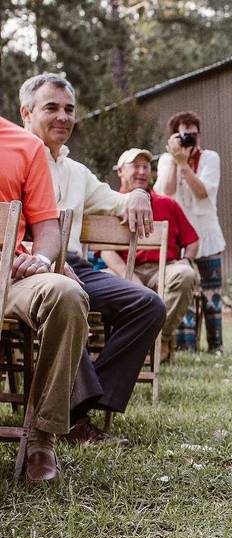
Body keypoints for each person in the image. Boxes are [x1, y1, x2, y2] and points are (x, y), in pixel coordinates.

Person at [19, 73, 165, 445]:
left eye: (69, 109)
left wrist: (138, 193)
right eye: (51, 107)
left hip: (76, 263)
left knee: (147, 304)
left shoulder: (76, 171)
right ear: (26, 113)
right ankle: (77, 417)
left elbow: (115, 201)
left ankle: (83, 400)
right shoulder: (14, 158)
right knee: (68, 295)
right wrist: (45, 259)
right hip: (25, 266)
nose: (63, 117)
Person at [0, 115, 90, 483]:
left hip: (11, 273)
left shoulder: (25, 144)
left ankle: (42, 435)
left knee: (67, 293)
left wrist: (40, 257)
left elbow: (47, 228)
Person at [102, 148, 200, 363]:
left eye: (146, 167)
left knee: (185, 274)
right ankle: (107, 348)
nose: (142, 172)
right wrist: (131, 278)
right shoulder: (109, 203)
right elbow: (106, 251)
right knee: (96, 283)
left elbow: (192, 240)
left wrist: (187, 259)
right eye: (135, 166)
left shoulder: (168, 204)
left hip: (163, 268)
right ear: (120, 171)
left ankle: (159, 338)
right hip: (124, 269)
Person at [156, 111, 225, 354]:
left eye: (193, 135)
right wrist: (176, 162)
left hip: (206, 234)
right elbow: (166, 192)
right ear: (174, 137)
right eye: (184, 135)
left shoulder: (210, 158)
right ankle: (186, 346)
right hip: (180, 237)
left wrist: (186, 165)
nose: (190, 140)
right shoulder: (166, 160)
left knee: (211, 294)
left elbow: (203, 192)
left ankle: (216, 345)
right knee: (184, 290)